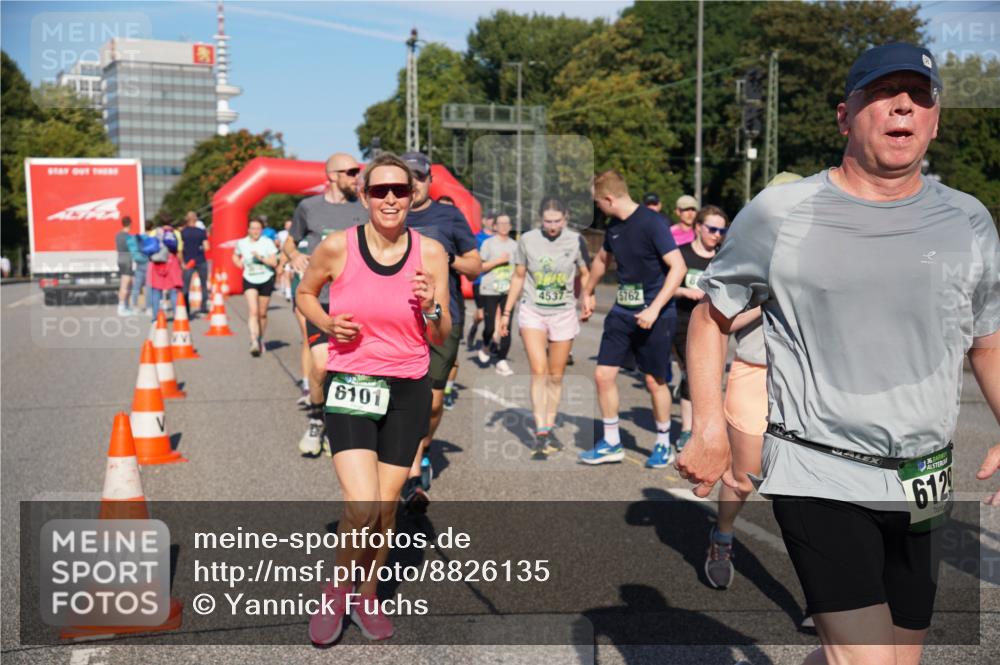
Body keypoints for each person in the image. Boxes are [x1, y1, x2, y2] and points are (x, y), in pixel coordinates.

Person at [677, 43, 1000, 665]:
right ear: (845, 116)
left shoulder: (968, 220)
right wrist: (710, 424)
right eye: (883, 92)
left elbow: (987, 339)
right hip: (820, 468)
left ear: (935, 118)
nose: (903, 104)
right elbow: (709, 316)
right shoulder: (781, 212)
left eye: (920, 95)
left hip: (925, 478)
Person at [299, 153, 450, 644]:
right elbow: (305, 293)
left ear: (413, 196)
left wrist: (431, 307)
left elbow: (442, 332)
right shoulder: (337, 248)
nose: (390, 199)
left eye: (399, 191)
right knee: (361, 507)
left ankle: (366, 595)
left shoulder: (431, 254)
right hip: (353, 383)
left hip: (408, 386)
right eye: (380, 190)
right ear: (363, 196)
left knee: (386, 511)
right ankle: (336, 592)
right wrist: (324, 325)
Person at [580, 170, 686, 468]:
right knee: (603, 375)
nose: (597, 208)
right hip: (623, 312)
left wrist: (654, 309)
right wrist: (587, 292)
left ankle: (663, 443)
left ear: (609, 198)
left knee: (655, 380)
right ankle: (612, 442)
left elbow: (677, 268)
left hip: (655, 314)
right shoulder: (614, 226)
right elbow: (602, 260)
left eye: (598, 202)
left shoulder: (653, 223)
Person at [399, 151, 481, 511]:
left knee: (431, 402)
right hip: (396, 319)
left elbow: (475, 266)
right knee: (403, 397)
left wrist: (444, 258)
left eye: (418, 177)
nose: (412, 184)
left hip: (442, 317)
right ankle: (410, 472)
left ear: (430, 180)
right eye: (406, 178)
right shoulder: (387, 217)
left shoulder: (448, 216)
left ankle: (424, 448)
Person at [284, 153, 367, 455]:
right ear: (332, 175)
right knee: (321, 365)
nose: (356, 177)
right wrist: (293, 256)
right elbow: (290, 241)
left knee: (351, 368)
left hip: (358, 302)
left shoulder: (364, 207)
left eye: (358, 172)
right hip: (320, 300)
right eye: (350, 172)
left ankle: (341, 425)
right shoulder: (308, 208)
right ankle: (318, 419)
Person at [500, 197, 592, 458]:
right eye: (548, 221)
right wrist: (507, 312)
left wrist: (588, 295)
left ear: (566, 218)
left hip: (563, 312)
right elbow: (519, 276)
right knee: (538, 370)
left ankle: (549, 425)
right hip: (533, 311)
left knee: (555, 374)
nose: (552, 226)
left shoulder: (576, 241)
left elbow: (585, 273)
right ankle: (540, 429)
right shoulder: (527, 240)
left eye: (557, 221)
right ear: (541, 219)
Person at [671, 205, 729, 454]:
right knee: (692, 376)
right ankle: (687, 430)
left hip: (716, 326)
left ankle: (705, 428)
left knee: (712, 378)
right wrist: (685, 291)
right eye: (712, 229)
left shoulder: (724, 258)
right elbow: (665, 287)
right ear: (697, 227)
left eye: (721, 230)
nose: (716, 234)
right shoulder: (681, 255)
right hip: (683, 322)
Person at [478, 213, 518, 375]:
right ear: (495, 226)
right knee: (489, 326)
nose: (503, 226)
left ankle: (501, 360)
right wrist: (498, 261)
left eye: (506, 223)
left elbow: (520, 270)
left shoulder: (516, 246)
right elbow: (480, 267)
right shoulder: (488, 244)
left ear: (510, 226)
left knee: (506, 326)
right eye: (500, 223)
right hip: (489, 290)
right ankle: (486, 344)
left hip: (508, 291)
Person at [233, 218, 279, 356]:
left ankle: (260, 338)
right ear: (248, 229)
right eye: (252, 228)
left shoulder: (267, 242)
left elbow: (274, 262)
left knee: (262, 313)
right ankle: (253, 341)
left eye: (258, 228)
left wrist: (261, 258)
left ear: (262, 230)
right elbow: (235, 256)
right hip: (249, 278)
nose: (255, 231)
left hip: (266, 278)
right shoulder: (242, 243)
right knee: (253, 311)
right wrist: (238, 264)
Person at [466, 210, 496, 350]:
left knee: (496, 315)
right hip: (480, 281)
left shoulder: (500, 239)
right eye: (490, 218)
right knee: (482, 315)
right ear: (484, 221)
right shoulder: (476, 238)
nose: (492, 221)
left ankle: (492, 344)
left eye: (494, 219)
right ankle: (474, 325)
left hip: (497, 283)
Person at [148, 221, 183, 321]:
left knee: (156, 291)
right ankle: (177, 315)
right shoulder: (176, 233)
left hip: (157, 263)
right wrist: (180, 264)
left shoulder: (154, 232)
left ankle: (155, 317)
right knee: (173, 291)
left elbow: (149, 248)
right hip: (172, 262)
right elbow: (179, 250)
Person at [180, 211, 210, 316]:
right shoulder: (201, 232)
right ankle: (203, 307)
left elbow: (180, 248)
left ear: (186, 219)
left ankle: (186, 309)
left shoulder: (182, 232)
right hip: (200, 260)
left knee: (185, 286)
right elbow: (207, 247)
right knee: (203, 284)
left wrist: (182, 261)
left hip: (188, 261)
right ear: (196, 219)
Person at [115, 216, 136, 315]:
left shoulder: (118, 235)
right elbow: (133, 250)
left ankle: (126, 306)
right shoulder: (129, 237)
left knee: (128, 283)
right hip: (127, 260)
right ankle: (121, 307)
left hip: (120, 258)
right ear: (130, 224)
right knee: (125, 285)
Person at [130, 219, 152, 314]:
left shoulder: (137, 237)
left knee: (136, 286)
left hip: (139, 263)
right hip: (149, 263)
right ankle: (149, 308)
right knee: (148, 287)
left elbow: (132, 248)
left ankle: (134, 306)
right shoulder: (151, 237)